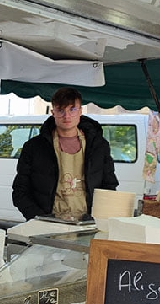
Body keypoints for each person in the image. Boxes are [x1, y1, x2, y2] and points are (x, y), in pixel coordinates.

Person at [11, 87, 118, 221]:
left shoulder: (99, 146)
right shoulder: (34, 147)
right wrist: (39, 218)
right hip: (46, 224)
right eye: (61, 110)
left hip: (88, 224)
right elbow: (20, 190)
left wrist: (97, 218)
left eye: (72, 109)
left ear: (80, 111)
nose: (66, 116)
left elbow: (109, 186)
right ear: (53, 112)